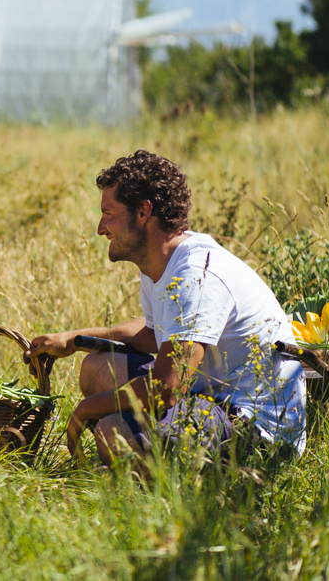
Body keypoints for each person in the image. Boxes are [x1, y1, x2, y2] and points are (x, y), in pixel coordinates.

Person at [26, 150, 305, 462]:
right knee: (96, 368)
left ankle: (170, 482)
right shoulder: (160, 262)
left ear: (144, 211)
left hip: (255, 428)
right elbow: (153, 333)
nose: (100, 228)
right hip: (206, 393)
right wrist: (73, 339)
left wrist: (85, 410)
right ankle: (149, 459)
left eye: (108, 214)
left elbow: (167, 388)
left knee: (111, 432)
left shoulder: (196, 275)